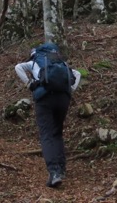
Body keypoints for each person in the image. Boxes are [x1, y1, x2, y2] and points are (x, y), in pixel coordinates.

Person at [15, 43, 81, 188]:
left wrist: (29, 84)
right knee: (57, 133)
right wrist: (70, 90)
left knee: (46, 134)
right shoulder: (60, 62)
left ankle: (54, 172)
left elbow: (18, 67)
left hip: (44, 98)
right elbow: (77, 74)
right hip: (63, 99)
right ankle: (62, 168)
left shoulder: (35, 61)